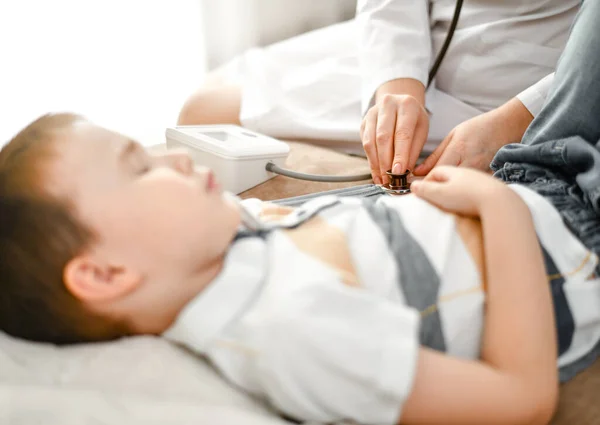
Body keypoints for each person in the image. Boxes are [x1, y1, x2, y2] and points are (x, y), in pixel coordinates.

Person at [1, 3, 600, 423]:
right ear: (105, 275)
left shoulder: (211, 257)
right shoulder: (288, 334)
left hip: (535, 176)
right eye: (140, 168)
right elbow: (519, 401)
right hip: (572, 229)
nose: (174, 161)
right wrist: (499, 209)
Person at [177, 0, 579, 185]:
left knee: (204, 114)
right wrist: (397, 86)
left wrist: (516, 119)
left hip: (514, 88)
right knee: (208, 94)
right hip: (410, 32)